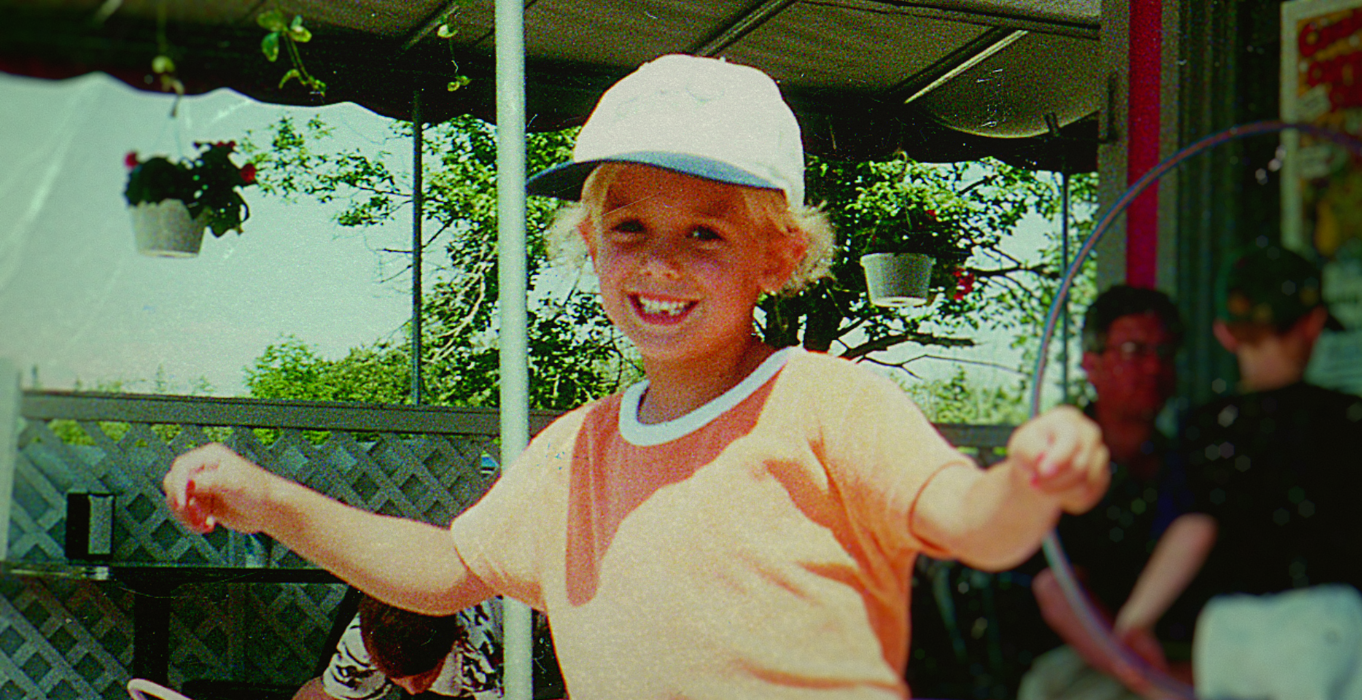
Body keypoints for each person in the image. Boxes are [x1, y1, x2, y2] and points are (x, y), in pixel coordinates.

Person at [162, 53, 1109, 699]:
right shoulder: (575, 451)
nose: (661, 263)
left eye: (706, 233)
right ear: (588, 246)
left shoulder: (829, 405)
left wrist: (1034, 482)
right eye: (630, 230)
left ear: (777, 258)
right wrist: (270, 500)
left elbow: (976, 529)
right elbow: (448, 570)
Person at [1106, 245, 1362, 698]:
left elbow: (1194, 526)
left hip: (1228, 631)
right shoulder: (1355, 421)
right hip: (1324, 624)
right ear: (1314, 325)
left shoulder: (1205, 428)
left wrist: (1136, 618)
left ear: (1225, 334)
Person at [1019, 286, 1186, 700]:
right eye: (1134, 350)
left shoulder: (1182, 463)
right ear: (1090, 365)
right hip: (1075, 660)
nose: (1152, 367)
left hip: (1170, 654)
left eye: (1164, 353)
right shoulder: (1060, 457)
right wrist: (1149, 680)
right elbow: (1056, 592)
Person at [293, 595, 502, 700]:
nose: (413, 689)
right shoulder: (362, 640)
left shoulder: (479, 651)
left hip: (507, 652)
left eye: (423, 676)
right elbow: (329, 693)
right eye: (397, 676)